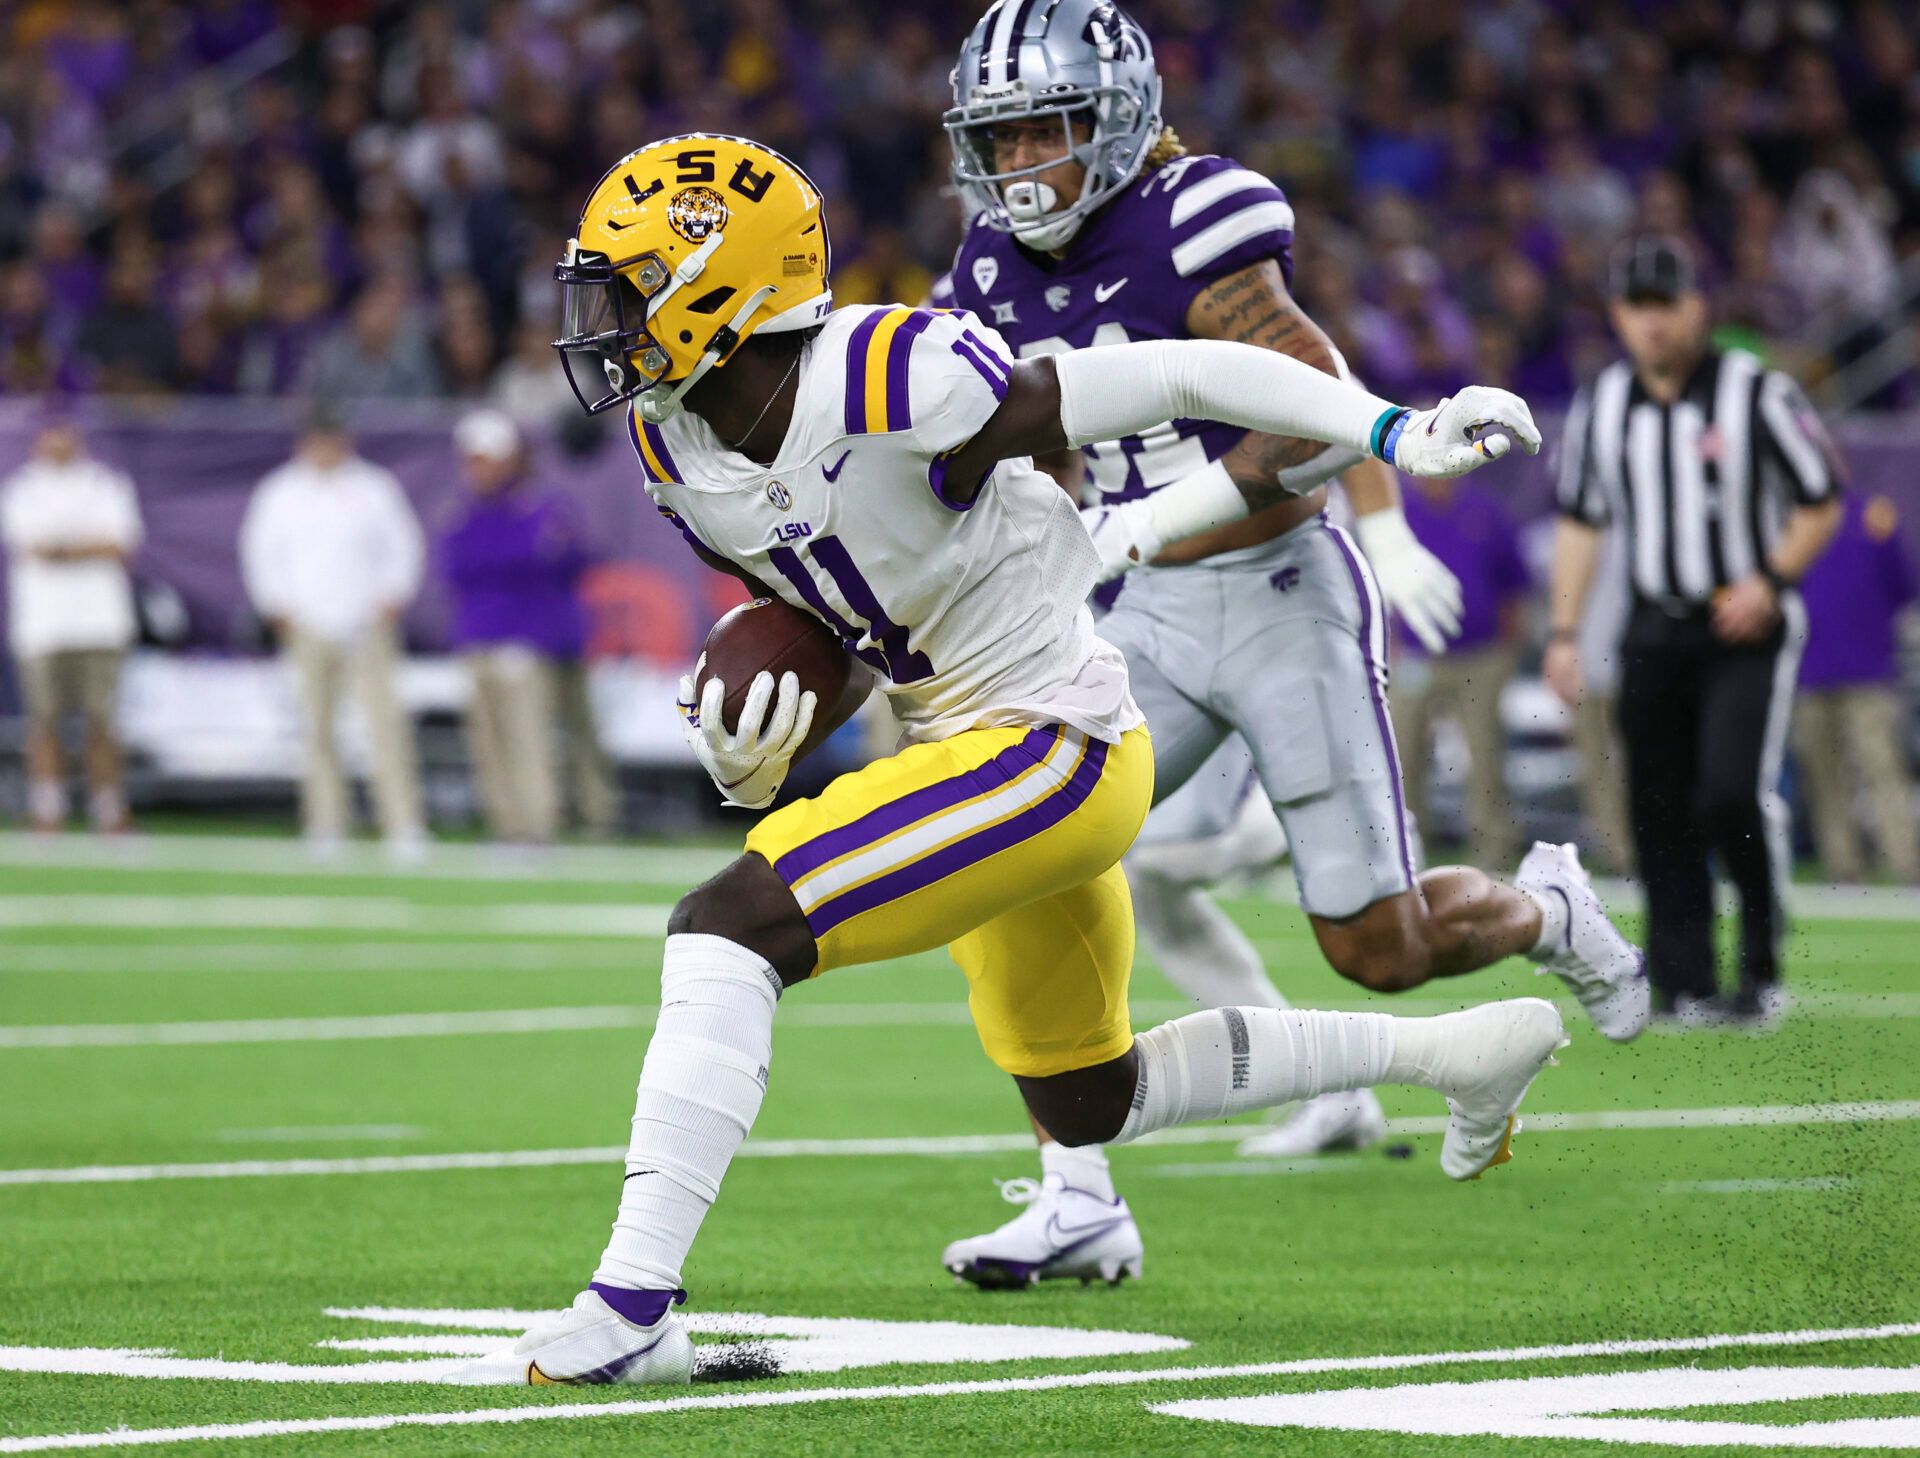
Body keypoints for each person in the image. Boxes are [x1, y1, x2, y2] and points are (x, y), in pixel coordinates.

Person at [452, 131, 1567, 1388]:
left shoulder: (891, 371)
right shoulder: (677, 448)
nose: (601, 322)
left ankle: (633, 1306)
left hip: (1053, 743)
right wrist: (761, 744)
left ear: (721, 288)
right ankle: (1456, 1055)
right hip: (967, 742)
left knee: (728, 927)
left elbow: (1184, 369)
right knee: (1087, 1095)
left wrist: (1387, 431)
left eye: (628, 288)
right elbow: (847, 614)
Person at [935, 0, 1646, 1288]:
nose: (1023, 161)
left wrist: (1382, 525)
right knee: (1024, 857)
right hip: (1138, 612)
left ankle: (1551, 909)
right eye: (1002, 135)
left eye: (1048, 127)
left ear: (1119, 120)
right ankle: (1077, 1196)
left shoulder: (1198, 215)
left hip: (1276, 593)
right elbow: (1022, 441)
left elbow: (1307, 410)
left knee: (1377, 951)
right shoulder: (988, 264)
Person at [1546, 235, 1844, 1027]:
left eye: (1665, 306)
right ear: (1617, 316)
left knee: (1728, 794)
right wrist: (1565, 631)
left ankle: (1759, 966)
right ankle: (1681, 979)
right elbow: (1581, 522)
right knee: (1657, 804)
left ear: (1696, 309)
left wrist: (1772, 581)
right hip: (1654, 623)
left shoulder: (1757, 393)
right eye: (1636, 308)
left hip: (1743, 623)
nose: (1651, 325)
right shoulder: (1604, 403)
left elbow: (1822, 495)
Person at [239, 409, 427, 858]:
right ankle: (326, 822)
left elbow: (404, 544)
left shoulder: (373, 488)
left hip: (367, 624)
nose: (325, 449)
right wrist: (276, 607)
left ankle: (402, 824)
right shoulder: (281, 491)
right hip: (307, 625)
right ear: (304, 443)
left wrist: (392, 596)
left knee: (385, 727)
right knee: (316, 729)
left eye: (333, 439)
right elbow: (260, 551)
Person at [441, 408, 593, 845]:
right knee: (487, 743)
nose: (477, 469)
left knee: (529, 740)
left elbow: (563, 562)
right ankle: (506, 826)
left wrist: (508, 561)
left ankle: (538, 826)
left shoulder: (539, 504)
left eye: (485, 459)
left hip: (526, 642)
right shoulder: (463, 511)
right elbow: (457, 566)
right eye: (472, 459)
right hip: (477, 639)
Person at [0, 410, 141, 832]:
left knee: (103, 721)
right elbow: (32, 545)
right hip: (43, 626)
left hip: (100, 622)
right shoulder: (22, 489)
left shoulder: (105, 484)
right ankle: (47, 809)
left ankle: (109, 810)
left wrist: (64, 548)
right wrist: (84, 545)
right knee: (44, 721)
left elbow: (121, 543)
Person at [1390, 473, 1532, 868]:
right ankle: (1407, 846)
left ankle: (1494, 847)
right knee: (1404, 752)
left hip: (1480, 654)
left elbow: (1513, 583)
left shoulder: (1485, 509)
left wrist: (1505, 651)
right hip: (1416, 653)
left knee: (1485, 753)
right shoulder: (1398, 511)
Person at [1792, 492, 1918, 884]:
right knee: (1824, 774)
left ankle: (1906, 865)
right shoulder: (1785, 521)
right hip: (1808, 669)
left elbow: (1904, 587)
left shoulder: (1872, 516)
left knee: (1881, 767)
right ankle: (1843, 867)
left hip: (1867, 671)